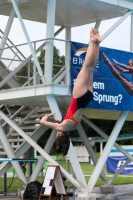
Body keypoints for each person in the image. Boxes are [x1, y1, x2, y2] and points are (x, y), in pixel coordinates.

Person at [40, 28, 101, 156]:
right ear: (60, 134)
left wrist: (55, 119)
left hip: (87, 97)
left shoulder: (71, 127)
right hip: (78, 98)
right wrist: (47, 117)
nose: (58, 131)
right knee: (85, 67)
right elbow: (42, 122)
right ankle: (92, 41)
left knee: (91, 68)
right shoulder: (62, 127)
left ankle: (97, 44)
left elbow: (63, 121)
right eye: (57, 133)